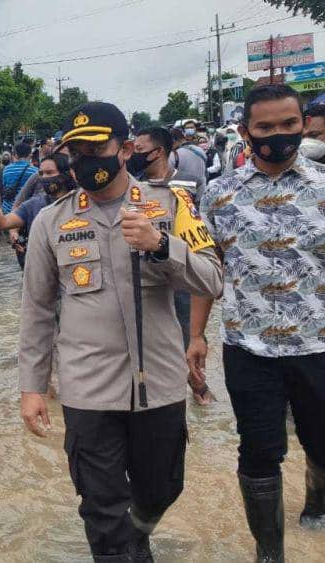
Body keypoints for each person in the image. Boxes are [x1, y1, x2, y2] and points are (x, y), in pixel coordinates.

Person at [19, 102, 223, 561]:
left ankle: (138, 533)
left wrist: (160, 246)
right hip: (87, 390)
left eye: (97, 147)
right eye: (77, 151)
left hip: (160, 385)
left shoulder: (172, 205)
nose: (86, 159)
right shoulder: (51, 222)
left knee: (162, 488)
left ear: (126, 148)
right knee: (102, 508)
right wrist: (31, 387)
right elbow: (35, 310)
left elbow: (213, 280)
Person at [191, 84, 325, 562]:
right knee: (259, 452)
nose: (278, 135)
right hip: (249, 349)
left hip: (319, 347)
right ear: (246, 132)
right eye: (265, 127)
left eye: (287, 125)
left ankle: (317, 503)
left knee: (321, 443)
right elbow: (209, 272)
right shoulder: (220, 196)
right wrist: (195, 336)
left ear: (303, 124)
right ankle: (270, 552)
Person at [127, 127, 216, 405]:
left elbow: (200, 227)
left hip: (184, 267)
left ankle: (198, 386)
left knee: (190, 333)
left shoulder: (187, 184)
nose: (134, 156)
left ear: (159, 152)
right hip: (150, 272)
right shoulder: (133, 188)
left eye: (139, 151)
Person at [0, 153, 76, 270]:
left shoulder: (80, 202)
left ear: (66, 175)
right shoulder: (34, 204)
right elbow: (3, 223)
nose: (44, 177)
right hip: (42, 267)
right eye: (41, 173)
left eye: (50, 173)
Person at [1, 142, 38, 215]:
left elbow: (4, 186)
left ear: (16, 155)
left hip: (7, 208)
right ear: (30, 155)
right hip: (25, 210)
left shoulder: (6, 169)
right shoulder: (35, 171)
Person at [169, 127, 208, 195]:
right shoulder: (200, 150)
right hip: (201, 191)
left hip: (184, 195)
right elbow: (205, 172)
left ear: (174, 140)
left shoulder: (175, 155)